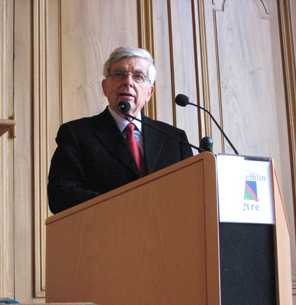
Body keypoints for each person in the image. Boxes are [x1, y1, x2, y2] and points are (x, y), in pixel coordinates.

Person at [47, 46, 193, 214]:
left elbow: (191, 196)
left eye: (138, 76)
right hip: (104, 233)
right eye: (119, 74)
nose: (128, 81)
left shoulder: (174, 139)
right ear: (105, 87)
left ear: (149, 93)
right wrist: (121, 206)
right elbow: (60, 194)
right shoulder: (77, 134)